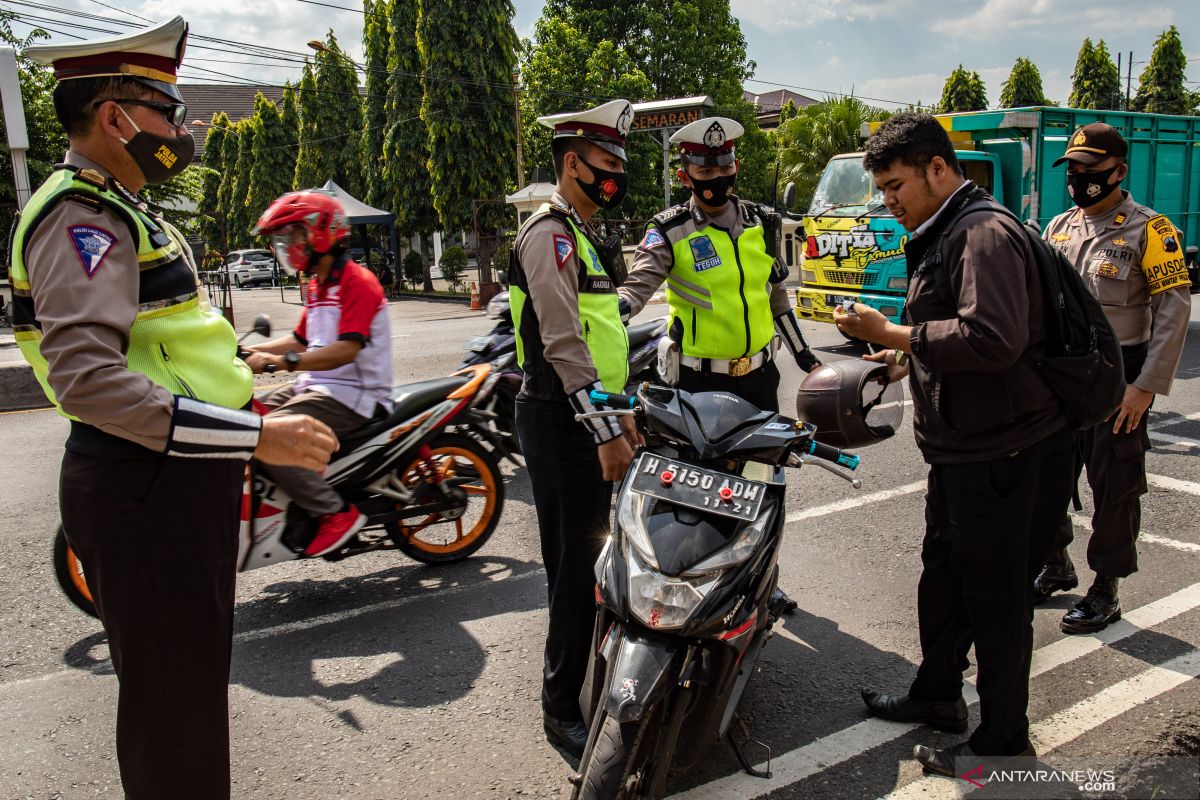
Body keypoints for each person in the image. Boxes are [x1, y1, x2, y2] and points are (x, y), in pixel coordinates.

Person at [16, 18, 337, 799]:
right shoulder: (80, 215)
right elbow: (91, 382)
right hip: (145, 486)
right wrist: (256, 433)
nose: (181, 126)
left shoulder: (120, 205)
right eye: (166, 107)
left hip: (169, 479)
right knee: (173, 716)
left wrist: (242, 391)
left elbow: (165, 349)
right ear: (113, 116)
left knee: (184, 699)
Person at [834, 113, 1075, 776]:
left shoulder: (982, 234)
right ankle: (937, 696)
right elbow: (956, 333)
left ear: (938, 169)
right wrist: (901, 358)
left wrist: (894, 333)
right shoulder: (947, 230)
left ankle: (1003, 739)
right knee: (944, 581)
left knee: (995, 601)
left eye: (895, 185)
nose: (889, 200)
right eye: (882, 189)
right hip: (960, 452)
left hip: (1001, 455)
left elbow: (993, 341)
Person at [509, 98, 640, 757]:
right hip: (563, 422)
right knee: (572, 569)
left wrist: (619, 412)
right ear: (570, 163)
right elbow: (563, 346)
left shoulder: (581, 236)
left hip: (585, 416)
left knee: (589, 559)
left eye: (621, 164)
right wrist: (606, 432)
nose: (615, 175)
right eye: (605, 164)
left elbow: (602, 332)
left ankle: (582, 678)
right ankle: (560, 707)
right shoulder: (549, 234)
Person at [1034, 123, 1192, 632]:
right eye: (1073, 170)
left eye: (1091, 170)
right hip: (1061, 375)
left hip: (1119, 374)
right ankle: (1055, 564)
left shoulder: (1151, 230)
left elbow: (1173, 312)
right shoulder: (1057, 228)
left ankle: (1106, 588)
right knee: (1045, 475)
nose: (1079, 179)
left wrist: (1145, 387)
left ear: (1120, 171)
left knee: (1115, 485)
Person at [618, 116, 821, 415]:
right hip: (699, 385)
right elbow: (635, 292)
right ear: (684, 177)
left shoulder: (762, 223)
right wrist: (594, 312)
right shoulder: (670, 230)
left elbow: (777, 300)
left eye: (726, 168)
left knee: (760, 463)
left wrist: (805, 357)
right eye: (706, 170)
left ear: (736, 167)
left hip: (761, 380)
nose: (718, 177)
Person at [245, 191, 395, 557]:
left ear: (321, 234)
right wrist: (248, 351)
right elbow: (299, 338)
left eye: (293, 237)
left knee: (265, 439)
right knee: (244, 417)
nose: (287, 246)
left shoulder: (357, 282)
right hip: (319, 387)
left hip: (355, 395)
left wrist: (281, 363)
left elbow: (345, 350)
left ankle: (335, 512)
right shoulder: (317, 284)